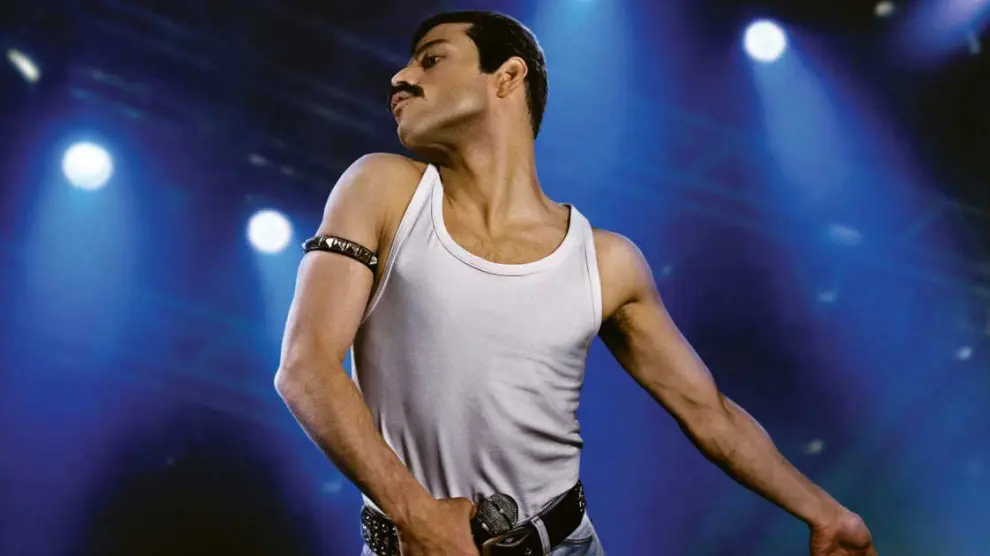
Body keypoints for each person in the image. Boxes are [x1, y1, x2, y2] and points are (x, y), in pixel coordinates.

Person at [274, 10, 878, 556]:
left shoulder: (606, 261)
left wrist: (827, 513)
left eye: (431, 59)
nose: (400, 78)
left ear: (507, 77)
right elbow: (306, 370)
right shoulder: (382, 188)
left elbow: (709, 412)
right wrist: (416, 515)